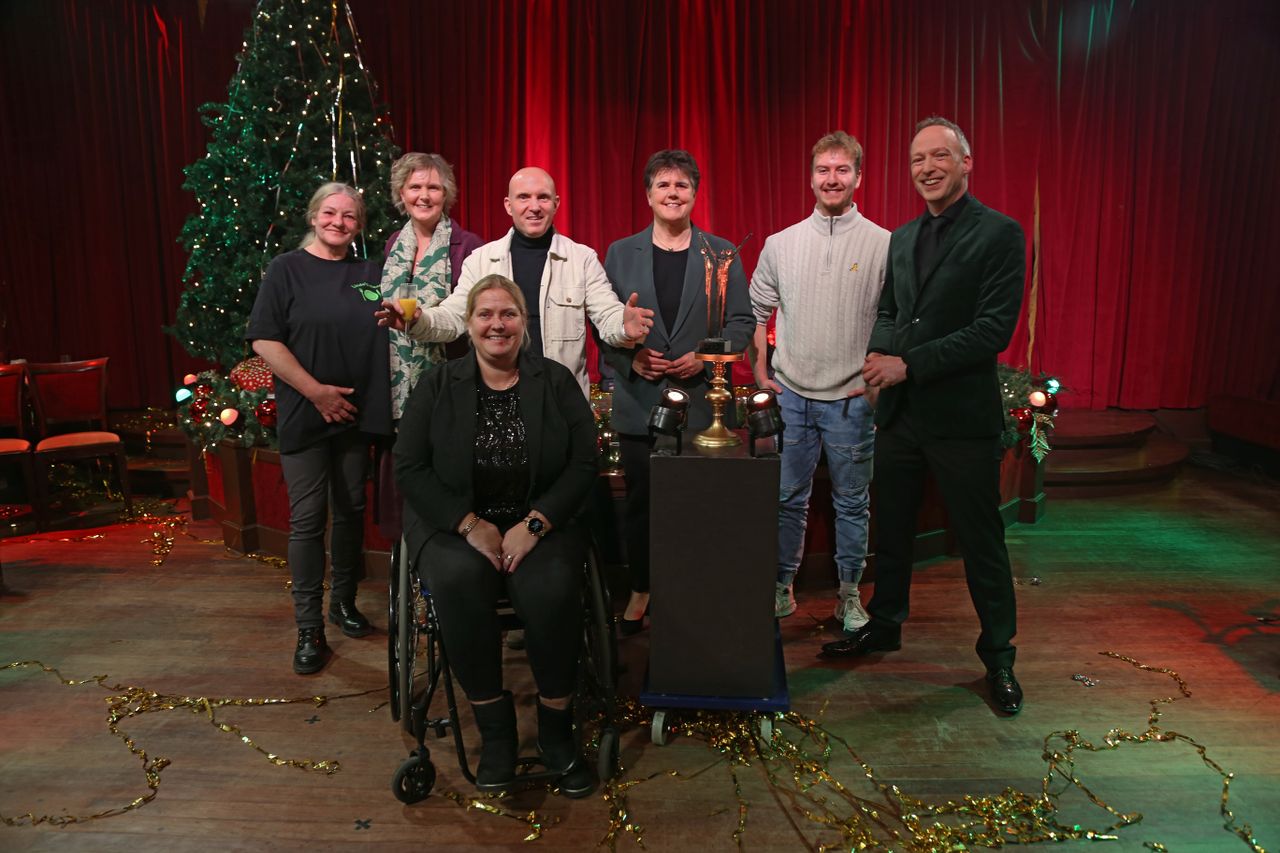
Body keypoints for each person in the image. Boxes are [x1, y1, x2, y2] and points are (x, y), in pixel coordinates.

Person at [820, 117, 1027, 716]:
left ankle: (999, 657)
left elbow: (993, 331)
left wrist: (906, 364)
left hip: (961, 417)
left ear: (966, 162)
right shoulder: (905, 237)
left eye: (939, 156)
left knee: (982, 542)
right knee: (893, 528)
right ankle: (885, 626)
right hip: (902, 417)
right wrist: (878, 358)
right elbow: (889, 309)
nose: (927, 168)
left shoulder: (1001, 234)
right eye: (917, 160)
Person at [394, 274, 599, 797]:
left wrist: (535, 524)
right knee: (460, 581)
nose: (496, 324)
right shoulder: (438, 385)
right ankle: (496, 732)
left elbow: (582, 464)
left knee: (551, 589)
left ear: (523, 323)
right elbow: (411, 467)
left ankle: (556, 728)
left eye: (507, 314)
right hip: (454, 523)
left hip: (540, 522)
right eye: (484, 314)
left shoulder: (553, 381)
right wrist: (468, 524)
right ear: (469, 324)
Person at [601, 149, 754, 634]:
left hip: (703, 405)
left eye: (682, 185)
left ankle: (697, 587)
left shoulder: (722, 252)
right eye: (663, 185)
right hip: (640, 404)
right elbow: (602, 323)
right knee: (643, 504)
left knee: (701, 505)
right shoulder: (621, 252)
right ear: (648, 195)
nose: (672, 193)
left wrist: (708, 356)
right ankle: (642, 588)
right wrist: (632, 357)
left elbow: (742, 322)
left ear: (694, 194)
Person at [247, 182, 391, 674]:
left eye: (349, 216)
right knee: (308, 520)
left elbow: (388, 328)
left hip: (356, 416)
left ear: (360, 225)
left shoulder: (369, 273)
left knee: (351, 510)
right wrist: (317, 392)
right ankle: (309, 628)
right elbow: (265, 340)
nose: (338, 222)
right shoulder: (286, 269)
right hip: (307, 414)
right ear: (313, 217)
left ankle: (344, 604)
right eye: (329, 213)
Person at [748, 132, 890, 631]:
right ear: (811, 178)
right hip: (792, 396)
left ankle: (850, 595)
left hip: (852, 400)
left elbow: (895, 317)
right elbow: (756, 312)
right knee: (788, 497)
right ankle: (782, 586)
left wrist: (875, 378)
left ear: (858, 178)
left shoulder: (883, 244)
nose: (832, 179)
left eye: (842, 170)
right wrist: (763, 371)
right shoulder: (780, 244)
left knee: (852, 502)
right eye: (823, 170)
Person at [377, 166, 653, 398]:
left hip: (560, 398)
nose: (534, 207)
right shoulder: (481, 260)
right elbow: (453, 318)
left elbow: (607, 315)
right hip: (496, 397)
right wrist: (418, 321)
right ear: (509, 205)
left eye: (543, 198)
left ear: (556, 203)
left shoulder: (582, 258)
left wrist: (624, 325)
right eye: (524, 197)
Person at [375, 153, 484, 543]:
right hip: (396, 381)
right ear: (401, 193)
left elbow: (470, 319)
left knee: (445, 474)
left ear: (446, 194)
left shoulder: (467, 245)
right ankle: (411, 554)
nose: (424, 195)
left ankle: (446, 552)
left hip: (448, 378)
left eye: (433, 187)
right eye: (415, 187)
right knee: (409, 469)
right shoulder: (393, 243)